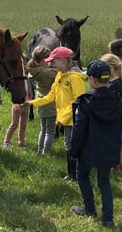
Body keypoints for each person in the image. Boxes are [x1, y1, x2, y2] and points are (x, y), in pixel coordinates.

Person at [68, 60, 122, 228]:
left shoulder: (85, 101)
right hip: (108, 148)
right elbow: (121, 123)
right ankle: (108, 219)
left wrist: (73, 150)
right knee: (104, 182)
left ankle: (89, 208)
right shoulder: (115, 99)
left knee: (82, 175)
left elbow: (79, 129)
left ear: (92, 79)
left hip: (88, 150)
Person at [22, 46, 87, 180]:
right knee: (68, 146)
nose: (51, 64)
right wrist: (32, 103)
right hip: (65, 119)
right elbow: (51, 96)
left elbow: (79, 101)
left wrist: (64, 117)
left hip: (73, 119)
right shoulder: (59, 76)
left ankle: (76, 176)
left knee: (72, 147)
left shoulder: (75, 78)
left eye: (54, 61)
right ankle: (71, 175)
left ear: (63, 61)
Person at [100, 53, 122, 173]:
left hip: (112, 118)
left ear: (111, 67)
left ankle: (115, 167)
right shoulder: (113, 82)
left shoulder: (114, 84)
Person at [26, 45, 58, 155]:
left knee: (43, 129)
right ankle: (46, 152)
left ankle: (40, 150)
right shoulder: (47, 73)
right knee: (50, 131)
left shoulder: (35, 70)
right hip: (49, 102)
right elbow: (59, 73)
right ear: (44, 60)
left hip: (39, 100)